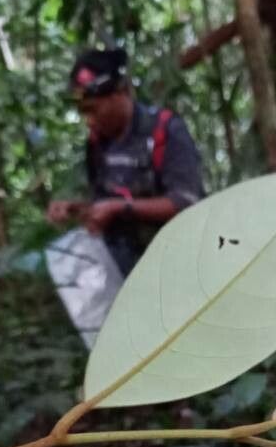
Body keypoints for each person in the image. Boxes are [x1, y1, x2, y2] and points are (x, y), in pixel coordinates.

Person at [46, 47, 204, 277]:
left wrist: (119, 208)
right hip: (127, 274)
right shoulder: (97, 144)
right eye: (82, 112)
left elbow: (186, 202)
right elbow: (102, 200)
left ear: (119, 93)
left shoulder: (165, 131)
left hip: (179, 268)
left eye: (93, 110)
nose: (88, 121)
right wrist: (75, 209)